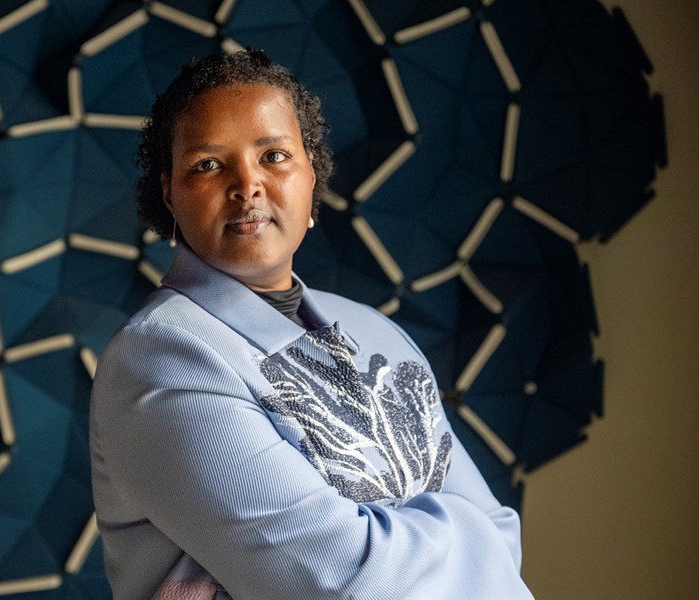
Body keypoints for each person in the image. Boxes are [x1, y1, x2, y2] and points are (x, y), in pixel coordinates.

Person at [89, 49, 533, 600]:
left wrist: (401, 541)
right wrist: (463, 537)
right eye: (208, 164)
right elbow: (344, 583)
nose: (247, 184)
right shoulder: (161, 357)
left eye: (274, 155)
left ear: (311, 173)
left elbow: (504, 538)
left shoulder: (375, 332)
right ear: (169, 194)